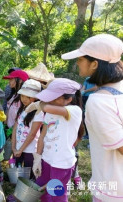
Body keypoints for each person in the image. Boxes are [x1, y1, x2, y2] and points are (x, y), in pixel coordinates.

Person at [62, 33, 123, 202]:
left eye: (80, 59)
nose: (77, 63)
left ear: (94, 64)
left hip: (113, 191)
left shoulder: (99, 102)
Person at [27, 78, 83, 201]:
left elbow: (46, 107)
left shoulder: (74, 111)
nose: (50, 100)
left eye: (54, 97)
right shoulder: (50, 112)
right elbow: (42, 136)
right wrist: (38, 158)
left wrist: (39, 104)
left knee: (56, 193)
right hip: (47, 158)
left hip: (61, 163)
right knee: (42, 188)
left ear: (69, 99)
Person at [11, 79, 43, 180]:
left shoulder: (39, 112)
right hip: (18, 148)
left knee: (30, 174)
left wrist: (20, 149)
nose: (24, 99)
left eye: (28, 97)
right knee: (18, 171)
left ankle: (29, 193)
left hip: (30, 150)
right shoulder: (22, 109)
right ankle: (19, 188)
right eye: (22, 96)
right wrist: (14, 147)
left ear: (36, 97)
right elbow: (15, 128)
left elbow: (32, 134)